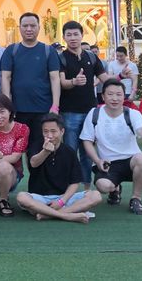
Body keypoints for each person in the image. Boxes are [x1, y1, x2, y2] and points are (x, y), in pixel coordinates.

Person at [81, 78, 142, 215]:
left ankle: (136, 199)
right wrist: (97, 161)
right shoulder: (94, 114)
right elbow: (87, 140)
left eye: (119, 94)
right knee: (103, 186)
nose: (115, 98)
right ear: (103, 96)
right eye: (110, 94)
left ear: (124, 96)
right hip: (108, 164)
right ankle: (115, 189)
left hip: (131, 162)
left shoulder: (132, 113)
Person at [16, 113, 102, 223]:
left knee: (95, 196)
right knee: (21, 197)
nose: (49, 135)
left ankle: (49, 214)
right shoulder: (36, 146)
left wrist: (62, 201)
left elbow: (74, 182)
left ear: (62, 132)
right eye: (45, 131)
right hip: (40, 198)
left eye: (53, 131)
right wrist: (45, 151)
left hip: (63, 198)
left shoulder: (69, 152)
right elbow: (33, 163)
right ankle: (67, 215)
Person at [0, 12, 61, 152]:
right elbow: (5, 77)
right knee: (16, 149)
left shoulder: (48, 51)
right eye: (25, 26)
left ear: (39, 27)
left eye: (33, 26)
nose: (29, 29)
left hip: (43, 109)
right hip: (18, 110)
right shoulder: (11, 50)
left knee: (40, 148)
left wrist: (55, 106)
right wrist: (8, 105)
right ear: (19, 28)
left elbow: (55, 78)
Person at [58, 21, 108, 187]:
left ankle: (87, 188)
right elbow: (62, 82)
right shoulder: (61, 58)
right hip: (69, 113)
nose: (73, 38)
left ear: (82, 35)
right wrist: (74, 81)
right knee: (70, 152)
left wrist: (121, 77)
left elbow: (104, 78)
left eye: (76, 34)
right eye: (69, 35)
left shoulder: (91, 57)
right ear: (64, 37)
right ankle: (70, 187)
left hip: (90, 113)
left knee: (88, 152)